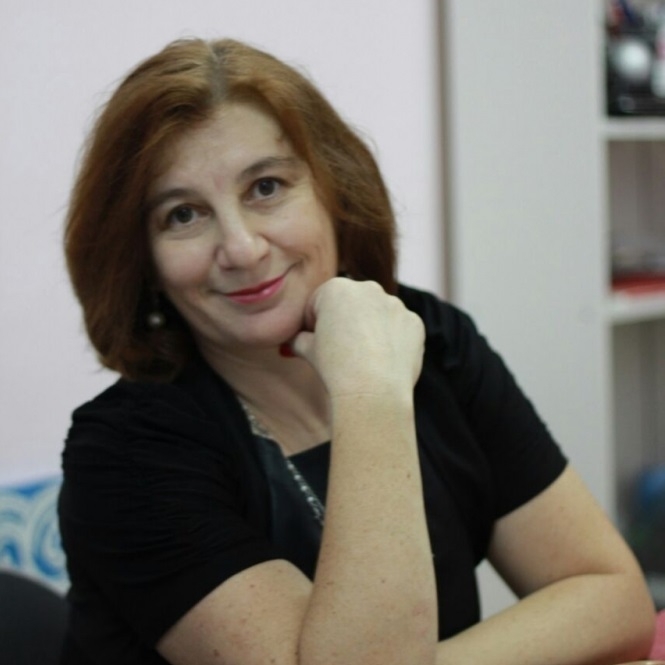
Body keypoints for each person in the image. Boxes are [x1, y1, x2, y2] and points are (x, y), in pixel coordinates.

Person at [58, 37, 655, 665]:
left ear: (334, 191)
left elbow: (612, 596)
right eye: (183, 215)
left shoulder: (432, 338)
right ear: (143, 261)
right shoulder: (123, 453)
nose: (241, 248)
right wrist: (370, 391)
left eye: (266, 187)